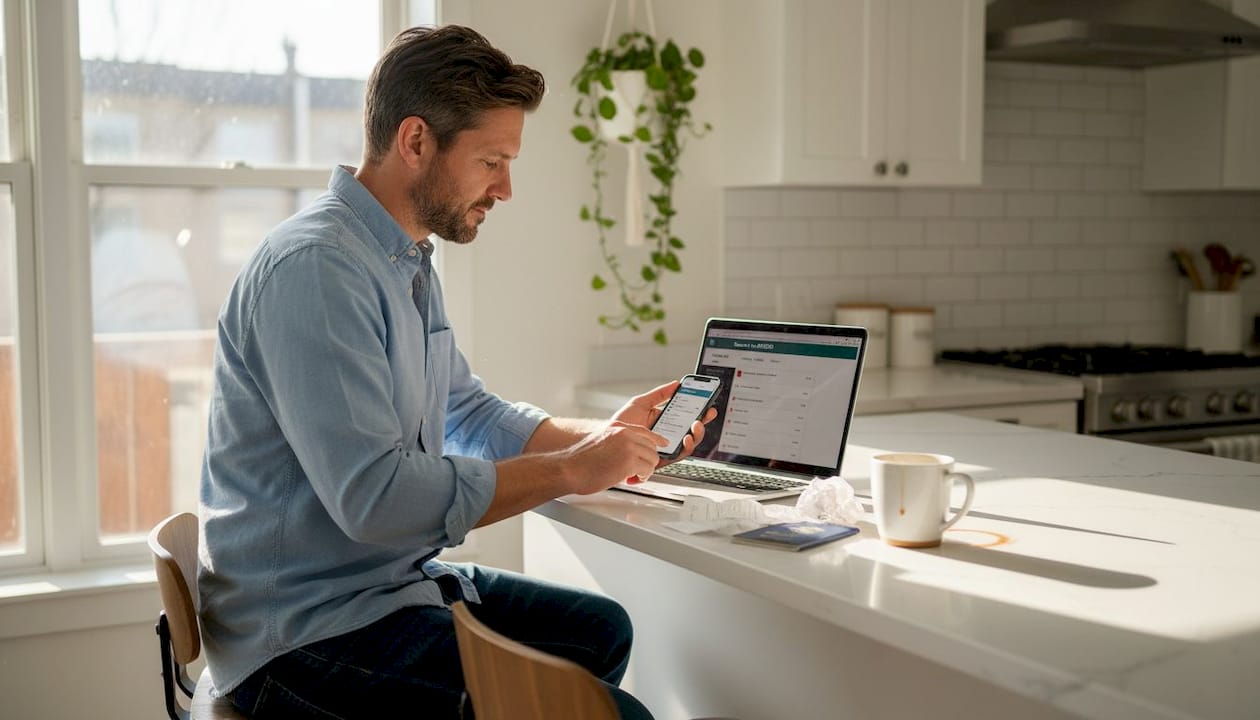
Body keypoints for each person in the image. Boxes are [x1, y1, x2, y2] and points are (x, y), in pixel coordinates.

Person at [198, 24, 711, 720]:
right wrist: (569, 470)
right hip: (301, 633)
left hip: (377, 589)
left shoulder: (402, 259)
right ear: (416, 141)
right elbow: (376, 499)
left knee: (599, 632)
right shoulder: (317, 271)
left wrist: (604, 440)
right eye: (491, 161)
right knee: (622, 716)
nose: (506, 188)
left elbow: (465, 412)